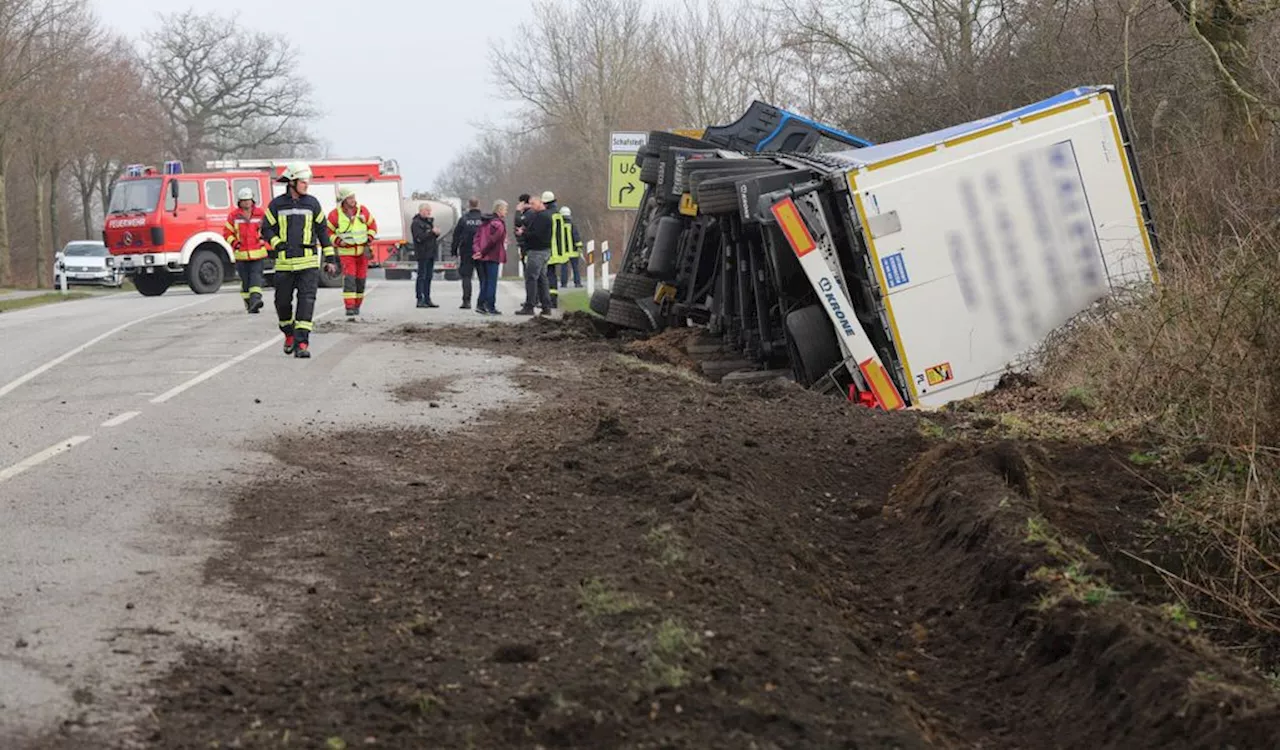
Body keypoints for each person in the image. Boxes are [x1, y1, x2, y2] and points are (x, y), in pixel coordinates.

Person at [260, 161, 335, 359]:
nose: (306, 185)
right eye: (303, 181)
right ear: (292, 182)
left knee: (306, 302)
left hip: (308, 263)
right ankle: (288, 333)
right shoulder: (276, 204)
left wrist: (330, 257)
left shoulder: (313, 203)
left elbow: (322, 231)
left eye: (307, 181)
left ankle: (302, 342)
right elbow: (266, 228)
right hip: (284, 263)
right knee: (282, 303)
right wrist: (277, 243)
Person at [326, 186, 378, 317]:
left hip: (362, 251)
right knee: (349, 279)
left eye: (353, 197)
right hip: (346, 252)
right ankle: (349, 307)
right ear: (344, 200)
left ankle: (357, 306)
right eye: (350, 198)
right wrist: (338, 242)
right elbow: (328, 232)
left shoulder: (363, 210)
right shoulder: (334, 214)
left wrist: (369, 238)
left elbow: (372, 226)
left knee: (361, 280)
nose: (353, 200)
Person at [223, 187, 267, 314]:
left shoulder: (260, 214)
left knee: (256, 277)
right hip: (241, 254)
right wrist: (235, 243)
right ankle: (250, 303)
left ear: (252, 200)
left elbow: (268, 229)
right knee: (246, 282)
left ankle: (256, 299)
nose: (247, 203)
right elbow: (227, 233)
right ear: (240, 202)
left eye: (248, 200)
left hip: (258, 253)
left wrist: (264, 240)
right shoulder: (234, 216)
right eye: (244, 200)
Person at [516, 192, 554, 316]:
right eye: (530, 204)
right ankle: (546, 306)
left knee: (531, 278)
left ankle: (529, 305)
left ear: (541, 203)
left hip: (537, 251)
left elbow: (537, 234)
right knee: (542, 279)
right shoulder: (541, 216)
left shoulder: (542, 217)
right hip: (543, 251)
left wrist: (523, 233)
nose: (531, 206)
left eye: (533, 204)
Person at [472, 199, 509, 315]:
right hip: (493, 255)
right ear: (499, 210)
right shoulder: (498, 224)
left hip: (482, 257)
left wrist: (478, 251)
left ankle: (480, 304)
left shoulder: (484, 223)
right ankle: (490, 306)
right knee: (492, 282)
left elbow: (477, 239)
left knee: (485, 282)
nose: (506, 212)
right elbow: (493, 241)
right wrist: (483, 252)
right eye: (505, 209)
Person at [451, 197, 485, 309]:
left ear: (469, 205)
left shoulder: (464, 219)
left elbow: (456, 236)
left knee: (466, 276)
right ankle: (483, 301)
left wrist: (454, 250)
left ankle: (466, 301)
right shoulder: (484, 219)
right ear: (478, 205)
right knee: (483, 278)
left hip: (466, 251)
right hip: (482, 252)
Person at [411, 203, 440, 308]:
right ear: (421, 211)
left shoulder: (429, 222)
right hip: (422, 253)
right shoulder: (416, 223)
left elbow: (430, 237)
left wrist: (436, 234)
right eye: (427, 210)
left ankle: (427, 298)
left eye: (429, 210)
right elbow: (420, 238)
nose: (429, 212)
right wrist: (431, 233)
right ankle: (420, 299)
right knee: (421, 276)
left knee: (428, 277)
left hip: (431, 253)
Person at [543, 191, 564, 307]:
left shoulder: (547, 215)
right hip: (557, 250)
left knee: (547, 275)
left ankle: (549, 300)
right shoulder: (558, 214)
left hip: (549, 249)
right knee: (552, 274)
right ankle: (553, 299)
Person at [558, 206, 584, 288]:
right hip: (573, 251)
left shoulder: (559, 226)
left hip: (563, 251)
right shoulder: (572, 225)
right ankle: (577, 283)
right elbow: (576, 237)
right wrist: (579, 247)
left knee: (564, 268)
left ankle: (563, 283)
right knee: (575, 268)